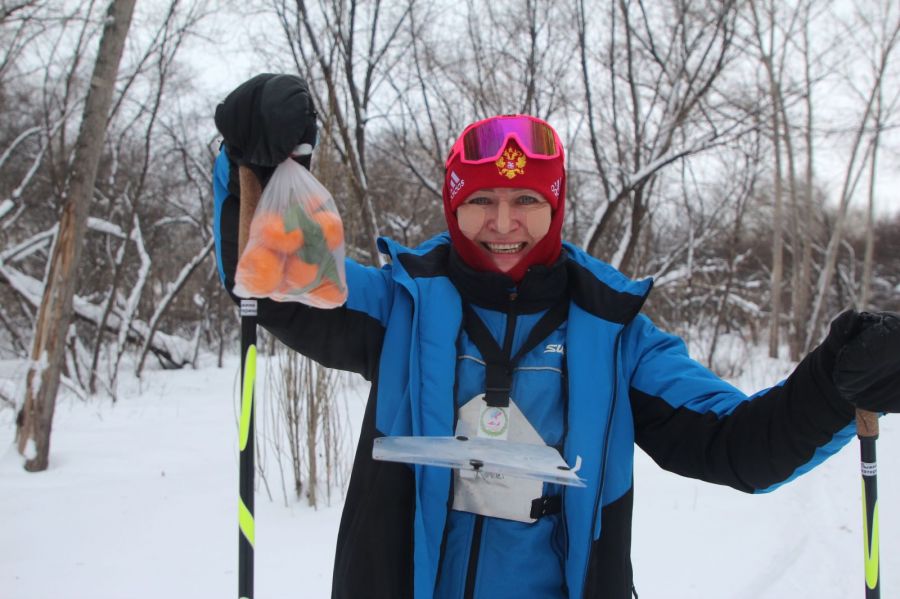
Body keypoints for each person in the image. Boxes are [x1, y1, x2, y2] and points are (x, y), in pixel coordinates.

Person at [212, 75, 900, 599]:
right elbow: (272, 278)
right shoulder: (404, 306)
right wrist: (262, 167)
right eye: (481, 199)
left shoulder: (613, 331)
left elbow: (737, 446)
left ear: (555, 205)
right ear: (455, 205)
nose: (503, 222)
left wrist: (836, 382)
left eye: (526, 200)